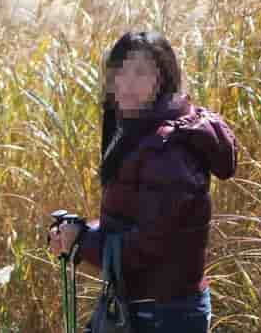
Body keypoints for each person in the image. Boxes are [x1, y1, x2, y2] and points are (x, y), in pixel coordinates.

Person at [49, 30, 237, 332]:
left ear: (162, 79)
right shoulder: (140, 133)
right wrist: (80, 232)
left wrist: (82, 241)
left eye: (140, 72)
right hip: (149, 308)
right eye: (119, 71)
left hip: (162, 315)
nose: (126, 84)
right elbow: (139, 224)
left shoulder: (167, 149)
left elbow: (148, 247)